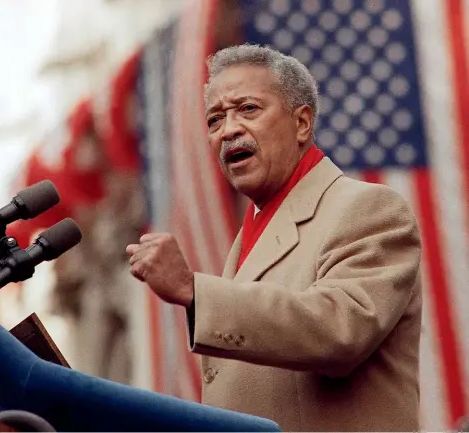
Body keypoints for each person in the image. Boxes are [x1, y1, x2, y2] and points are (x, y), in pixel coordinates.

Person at [126, 44, 422, 432]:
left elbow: (341, 329)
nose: (228, 130)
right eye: (215, 119)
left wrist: (194, 291)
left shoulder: (369, 208)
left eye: (248, 109)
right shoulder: (255, 229)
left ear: (301, 123)